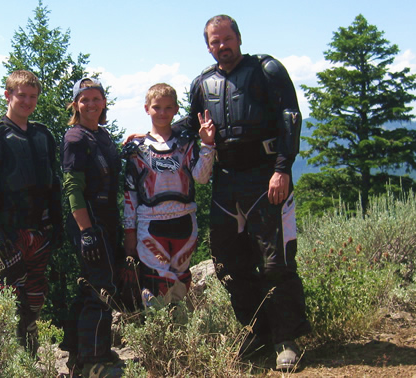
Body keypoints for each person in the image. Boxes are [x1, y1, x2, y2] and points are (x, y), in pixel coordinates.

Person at [173, 15, 311, 370]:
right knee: (227, 262)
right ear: (207, 46)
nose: (222, 46)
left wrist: (283, 168)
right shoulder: (203, 83)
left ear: (238, 37)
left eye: (226, 39)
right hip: (226, 179)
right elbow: (189, 124)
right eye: (214, 42)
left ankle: (285, 338)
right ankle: (257, 329)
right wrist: (150, 136)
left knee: (275, 261)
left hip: (266, 176)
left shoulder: (267, 70)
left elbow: (290, 118)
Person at [0, 70, 63, 357]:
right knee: (2, 298)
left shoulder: (43, 135)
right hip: (6, 232)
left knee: (35, 296)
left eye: (32, 96)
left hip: (38, 230)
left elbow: (53, 184)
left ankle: (28, 352)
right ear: (7, 95)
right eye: (21, 95)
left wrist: (57, 225)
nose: (27, 101)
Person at [122, 83, 215, 307]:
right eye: (157, 107)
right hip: (150, 224)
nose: (162, 113)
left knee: (181, 283)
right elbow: (130, 195)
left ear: (176, 109)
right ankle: (159, 335)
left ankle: (181, 336)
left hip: (185, 221)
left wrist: (208, 145)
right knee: (157, 284)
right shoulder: (137, 148)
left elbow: (201, 178)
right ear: (147, 109)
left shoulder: (186, 143)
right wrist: (129, 232)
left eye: (168, 108)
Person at [58, 78, 124, 377]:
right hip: (88, 220)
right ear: (76, 104)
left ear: (104, 102)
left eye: (96, 98)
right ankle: (92, 360)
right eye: (85, 99)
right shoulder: (75, 138)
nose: (92, 104)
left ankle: (81, 351)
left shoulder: (102, 136)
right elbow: (72, 188)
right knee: (101, 286)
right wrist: (86, 231)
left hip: (107, 219)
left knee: (95, 283)